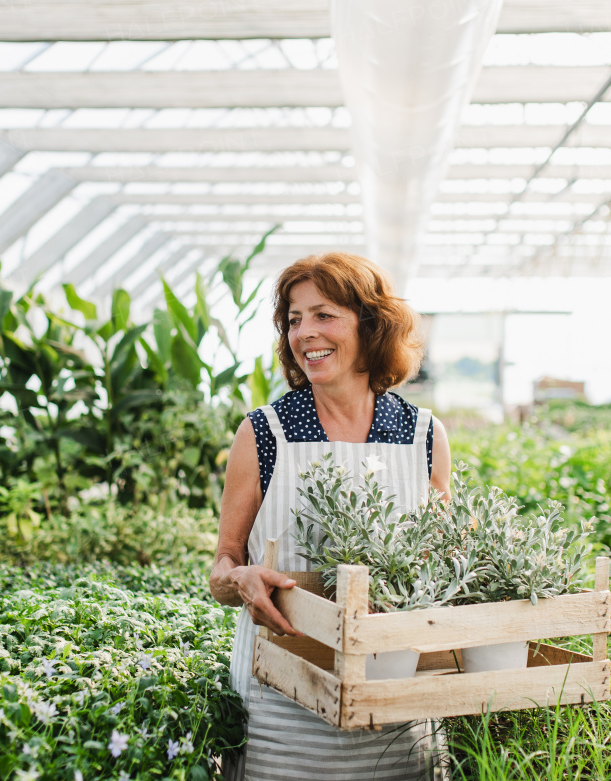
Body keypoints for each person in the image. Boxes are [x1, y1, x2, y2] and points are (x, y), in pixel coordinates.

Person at [210, 251, 452, 781]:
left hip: (394, 706)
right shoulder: (263, 434)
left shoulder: (422, 435)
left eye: (323, 315)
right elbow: (222, 566)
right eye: (294, 320)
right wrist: (240, 578)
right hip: (283, 708)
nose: (305, 333)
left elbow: (441, 559)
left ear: (371, 325)